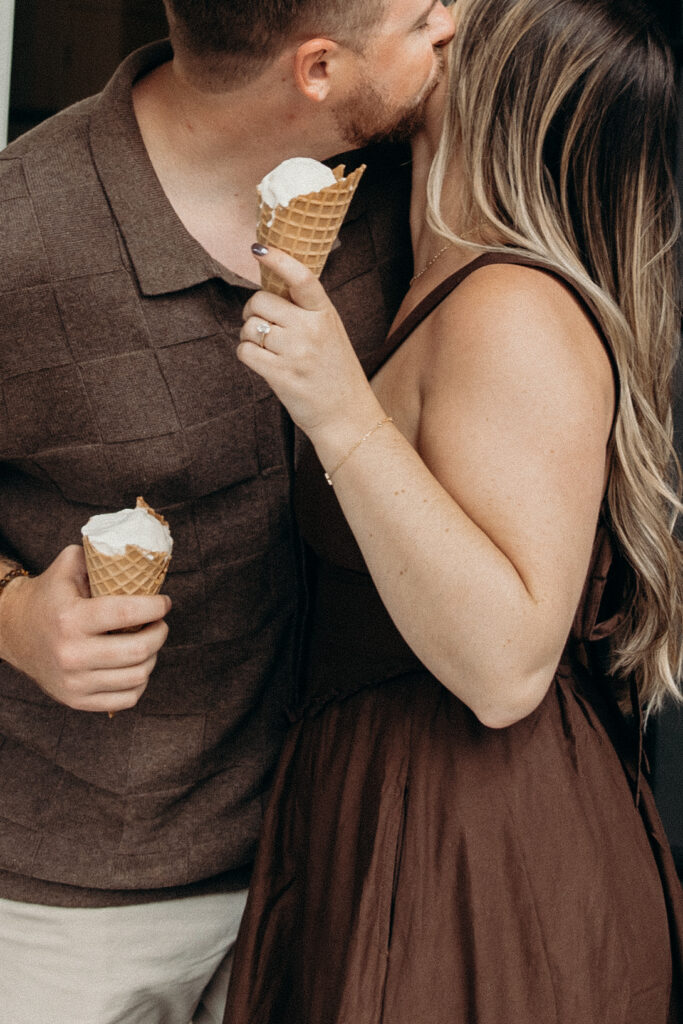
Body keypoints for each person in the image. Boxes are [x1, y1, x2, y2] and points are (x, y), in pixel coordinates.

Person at [225, 0, 683, 1020]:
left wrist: (340, 414)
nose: (432, 22)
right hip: (383, 796)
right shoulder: (426, 262)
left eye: (459, 26)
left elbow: (506, 665)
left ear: (502, 92)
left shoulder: (509, 310)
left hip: (463, 840)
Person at [0, 1, 455, 1021]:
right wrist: (15, 617)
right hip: (74, 915)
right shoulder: (20, 229)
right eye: (421, 14)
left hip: (331, 863)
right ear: (318, 69)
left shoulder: (411, 179)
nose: (452, 24)